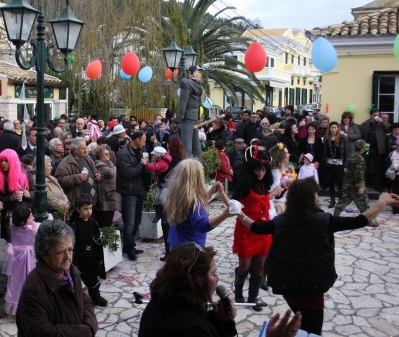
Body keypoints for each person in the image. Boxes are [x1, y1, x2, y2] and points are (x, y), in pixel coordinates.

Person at [239, 178, 393, 335]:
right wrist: (382, 202)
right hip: (312, 289)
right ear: (310, 198)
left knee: (302, 323)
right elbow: (359, 221)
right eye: (316, 194)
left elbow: (255, 227)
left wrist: (239, 212)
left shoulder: (279, 221)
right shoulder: (324, 221)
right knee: (313, 330)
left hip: (287, 287)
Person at [138, 242, 302, 337]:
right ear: (197, 281)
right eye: (213, 274)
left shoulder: (166, 302)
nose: (218, 279)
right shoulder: (190, 329)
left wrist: (219, 319)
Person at [16, 219, 98, 337]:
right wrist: (83, 332)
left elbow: (84, 299)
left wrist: (90, 325)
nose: (67, 257)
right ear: (44, 254)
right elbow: (40, 331)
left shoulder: (70, 272)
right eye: (60, 252)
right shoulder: (34, 288)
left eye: (70, 250)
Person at [232, 145, 273, 311]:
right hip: (246, 230)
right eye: (257, 169)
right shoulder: (244, 184)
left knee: (259, 267)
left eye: (263, 169)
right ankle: (238, 293)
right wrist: (243, 217)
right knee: (244, 266)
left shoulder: (266, 184)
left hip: (264, 231)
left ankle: (252, 298)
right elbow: (234, 206)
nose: (260, 173)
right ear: (251, 168)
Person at [167, 159, 233, 250]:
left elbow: (191, 210)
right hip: (190, 248)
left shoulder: (177, 194)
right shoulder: (194, 201)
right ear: (197, 178)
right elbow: (202, 226)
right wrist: (224, 215)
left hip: (176, 243)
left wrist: (210, 193)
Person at [69, 194, 107, 307]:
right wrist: (74, 262)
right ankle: (76, 301)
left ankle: (95, 297)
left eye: (90, 208)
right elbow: (73, 244)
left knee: (93, 278)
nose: (88, 211)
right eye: (85, 209)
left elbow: (97, 241)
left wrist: (99, 257)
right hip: (80, 259)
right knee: (76, 281)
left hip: (92, 257)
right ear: (78, 209)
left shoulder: (93, 223)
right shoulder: (74, 225)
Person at [116, 131, 148, 261]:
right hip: (129, 192)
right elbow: (128, 172)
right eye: (143, 140)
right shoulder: (124, 154)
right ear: (137, 139)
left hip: (139, 190)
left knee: (137, 221)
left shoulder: (139, 151)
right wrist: (142, 164)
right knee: (129, 222)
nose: (144, 143)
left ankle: (130, 245)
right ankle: (129, 249)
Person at [333, 140, 379, 226]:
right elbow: (359, 174)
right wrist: (360, 186)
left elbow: (346, 169)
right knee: (363, 204)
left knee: (342, 202)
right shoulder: (360, 159)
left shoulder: (351, 156)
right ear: (362, 148)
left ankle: (335, 217)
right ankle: (369, 221)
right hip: (355, 187)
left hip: (347, 185)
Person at [3, 205, 39, 315]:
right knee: (28, 280)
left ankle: (16, 304)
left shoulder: (13, 225)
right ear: (23, 222)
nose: (33, 218)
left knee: (15, 282)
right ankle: (29, 305)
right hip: (27, 259)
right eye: (30, 217)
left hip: (15, 259)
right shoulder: (31, 228)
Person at [0, 149, 31, 242]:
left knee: (27, 244)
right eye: (1, 160)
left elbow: (35, 191)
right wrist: (10, 198)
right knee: (12, 245)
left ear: (13, 162)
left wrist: (29, 194)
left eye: (6, 161)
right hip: (9, 217)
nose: (3, 163)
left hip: (26, 215)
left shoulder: (25, 174)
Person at [55, 137, 100, 214]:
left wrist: (97, 174)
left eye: (86, 147)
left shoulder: (87, 157)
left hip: (92, 200)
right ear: (75, 149)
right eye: (83, 148)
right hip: (79, 204)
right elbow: (59, 180)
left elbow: (94, 169)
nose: (85, 150)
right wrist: (77, 178)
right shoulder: (66, 163)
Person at [360, 108, 390, 191]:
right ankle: (365, 183)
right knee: (366, 165)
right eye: (374, 115)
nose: (376, 117)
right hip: (367, 149)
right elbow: (361, 135)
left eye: (377, 115)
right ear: (370, 115)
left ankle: (377, 184)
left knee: (378, 166)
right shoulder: (365, 124)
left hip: (378, 149)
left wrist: (382, 122)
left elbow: (388, 128)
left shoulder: (381, 123)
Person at [178, 66, 205, 161]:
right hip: (194, 117)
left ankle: (188, 169)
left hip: (187, 117)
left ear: (190, 73)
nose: (201, 74)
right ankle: (199, 167)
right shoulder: (199, 85)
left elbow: (183, 102)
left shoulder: (186, 82)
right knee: (196, 147)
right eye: (199, 72)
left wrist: (180, 117)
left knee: (186, 148)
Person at [93, 144, 120, 227]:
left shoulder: (109, 163)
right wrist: (115, 168)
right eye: (106, 154)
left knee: (109, 218)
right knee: (105, 221)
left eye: (109, 154)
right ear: (100, 156)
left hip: (110, 195)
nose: (109, 156)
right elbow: (111, 172)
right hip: (106, 197)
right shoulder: (99, 164)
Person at [323, 121, 347, 209]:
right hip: (330, 163)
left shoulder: (342, 138)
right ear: (329, 129)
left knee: (340, 182)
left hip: (339, 163)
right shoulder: (327, 138)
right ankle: (332, 200)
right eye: (332, 128)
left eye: (335, 128)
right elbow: (325, 151)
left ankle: (340, 200)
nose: (333, 129)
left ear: (337, 129)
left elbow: (345, 152)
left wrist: (345, 165)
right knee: (331, 182)